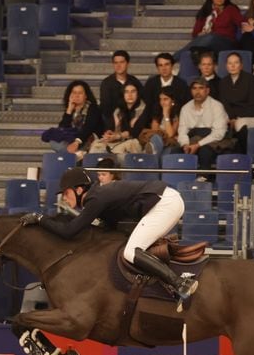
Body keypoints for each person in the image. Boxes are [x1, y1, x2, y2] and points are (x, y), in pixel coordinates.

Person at [20, 167, 198, 301]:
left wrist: (39, 218)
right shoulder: (98, 198)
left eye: (66, 193)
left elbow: (69, 231)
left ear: (79, 190)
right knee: (130, 248)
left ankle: (180, 283)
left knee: (131, 251)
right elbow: (109, 228)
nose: (64, 198)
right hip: (165, 201)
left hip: (164, 204)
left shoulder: (95, 198)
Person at [176, 0, 244, 67]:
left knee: (211, 37)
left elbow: (243, 22)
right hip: (207, 44)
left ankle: (172, 58)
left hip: (226, 43)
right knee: (190, 53)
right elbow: (195, 34)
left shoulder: (231, 9)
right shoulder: (205, 11)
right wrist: (200, 34)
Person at [178, 78, 229, 178]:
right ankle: (179, 181)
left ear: (207, 90)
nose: (197, 92)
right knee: (175, 151)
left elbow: (219, 133)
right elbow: (182, 130)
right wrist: (185, 144)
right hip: (192, 139)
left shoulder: (217, 106)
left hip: (213, 140)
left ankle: (203, 181)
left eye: (201, 88)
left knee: (205, 151)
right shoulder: (185, 108)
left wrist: (198, 145)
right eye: (194, 88)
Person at [41, 81, 104, 158]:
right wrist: (69, 110)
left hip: (88, 139)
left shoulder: (93, 108)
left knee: (65, 150)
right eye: (74, 93)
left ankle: (74, 157)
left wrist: (77, 142)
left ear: (86, 95)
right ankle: (77, 155)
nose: (77, 96)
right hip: (73, 140)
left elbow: (88, 128)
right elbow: (62, 129)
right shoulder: (72, 109)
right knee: (54, 142)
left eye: (80, 93)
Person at [90, 82, 149, 155]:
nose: (130, 95)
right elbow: (113, 128)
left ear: (138, 94)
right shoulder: (118, 110)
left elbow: (136, 131)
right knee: (96, 146)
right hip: (117, 140)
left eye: (133, 91)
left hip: (134, 141)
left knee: (126, 147)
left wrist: (118, 136)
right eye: (126, 92)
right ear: (123, 94)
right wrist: (110, 133)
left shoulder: (144, 109)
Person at [218, 52, 254, 135]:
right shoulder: (223, 82)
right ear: (226, 66)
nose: (233, 66)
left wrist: (236, 117)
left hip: (252, 117)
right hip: (232, 118)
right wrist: (232, 117)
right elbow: (224, 104)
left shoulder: (251, 79)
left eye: (236, 63)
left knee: (239, 124)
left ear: (241, 65)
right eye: (230, 63)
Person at [98, 50, 142, 128]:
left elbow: (140, 102)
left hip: (132, 119)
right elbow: (106, 108)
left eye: (121, 62)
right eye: (116, 63)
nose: (118, 65)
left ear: (128, 64)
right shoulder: (106, 83)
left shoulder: (134, 81)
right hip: (111, 121)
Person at [141, 89, 182, 156]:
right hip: (158, 140)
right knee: (156, 138)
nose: (162, 102)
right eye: (161, 99)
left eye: (165, 99)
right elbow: (155, 131)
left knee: (165, 151)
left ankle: (151, 155)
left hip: (170, 144)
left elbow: (170, 134)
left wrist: (166, 114)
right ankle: (152, 153)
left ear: (173, 101)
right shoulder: (157, 113)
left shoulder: (177, 115)